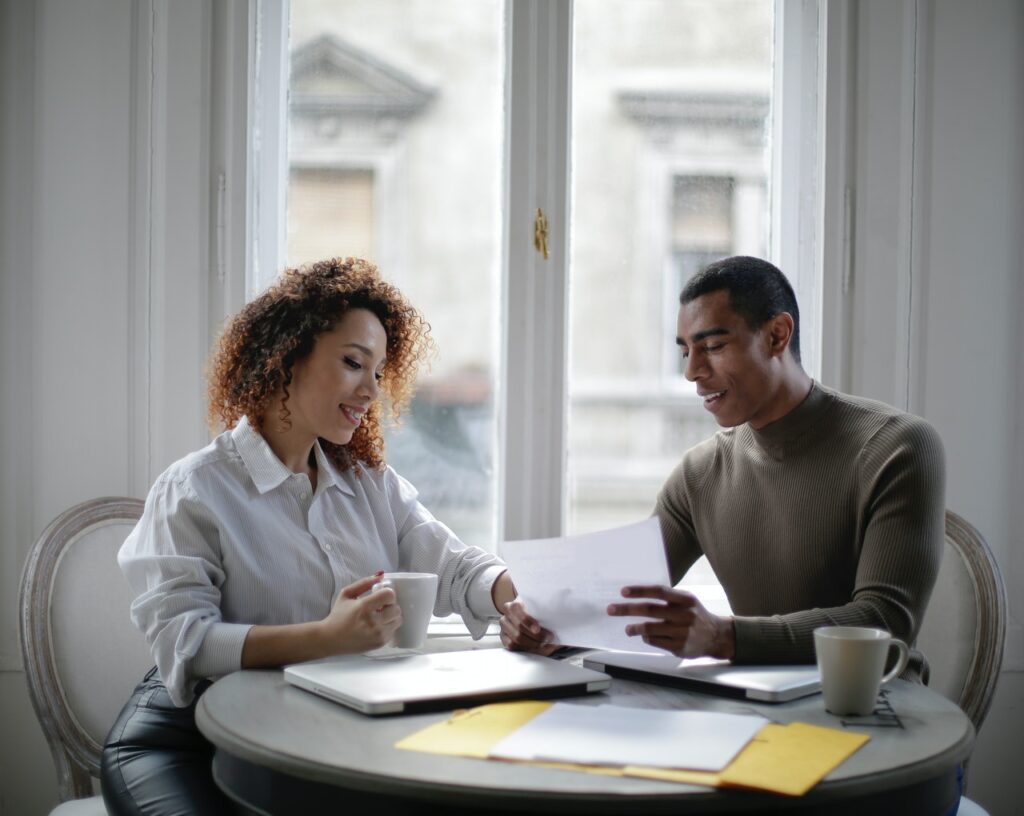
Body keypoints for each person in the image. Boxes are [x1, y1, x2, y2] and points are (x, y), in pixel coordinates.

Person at [101, 257, 516, 815]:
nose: (372, 390)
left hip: (314, 739)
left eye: (379, 371)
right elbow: (186, 642)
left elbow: (459, 568)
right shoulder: (195, 488)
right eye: (353, 363)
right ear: (287, 357)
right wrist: (326, 636)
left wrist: (519, 597)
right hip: (185, 740)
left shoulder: (369, 484)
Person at [501, 256, 944, 680]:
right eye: (685, 352)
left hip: (878, 710)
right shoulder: (700, 473)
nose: (693, 371)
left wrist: (722, 636)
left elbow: (885, 621)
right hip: (760, 711)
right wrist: (544, 629)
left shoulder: (897, 446)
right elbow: (623, 603)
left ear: (777, 335)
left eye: (712, 346)